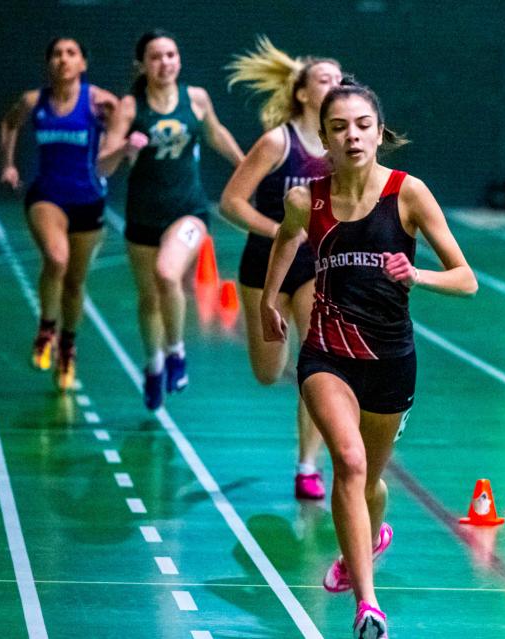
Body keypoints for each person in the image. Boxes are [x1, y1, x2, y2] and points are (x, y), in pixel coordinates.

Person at [260, 80, 477, 638]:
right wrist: (268, 300)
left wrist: (418, 274)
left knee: (371, 481)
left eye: (362, 125)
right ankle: (368, 605)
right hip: (327, 355)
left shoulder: (408, 194)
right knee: (350, 465)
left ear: (379, 133)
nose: (352, 136)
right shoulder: (307, 199)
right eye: (339, 128)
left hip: (390, 361)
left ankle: (366, 542)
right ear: (324, 139)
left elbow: (466, 279)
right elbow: (287, 239)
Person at [220, 38, 342, 500]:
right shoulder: (277, 141)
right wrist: (279, 232)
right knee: (270, 372)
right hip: (266, 264)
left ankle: (307, 465)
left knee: (319, 363)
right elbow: (230, 202)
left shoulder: (343, 146)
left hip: (317, 265)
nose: (334, 85)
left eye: (339, 79)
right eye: (324, 79)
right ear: (304, 93)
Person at [99, 29, 243, 410]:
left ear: (179, 60)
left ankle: (176, 352)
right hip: (143, 215)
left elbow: (215, 134)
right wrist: (125, 148)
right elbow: (102, 164)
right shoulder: (130, 108)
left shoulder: (195, 99)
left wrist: (246, 167)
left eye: (171, 55)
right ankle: (153, 364)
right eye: (156, 57)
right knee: (149, 298)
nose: (165, 63)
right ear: (143, 65)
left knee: (167, 275)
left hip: (188, 210)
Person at [0, 37, 120, 390]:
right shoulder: (33, 101)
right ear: (48, 62)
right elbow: (9, 123)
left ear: (83, 63)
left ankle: (68, 348)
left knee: (74, 283)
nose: (63, 59)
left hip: (88, 199)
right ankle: (45, 330)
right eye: (56, 54)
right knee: (56, 259)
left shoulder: (100, 103)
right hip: (47, 196)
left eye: (71, 54)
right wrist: (7, 164)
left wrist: (119, 145)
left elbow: (126, 126)